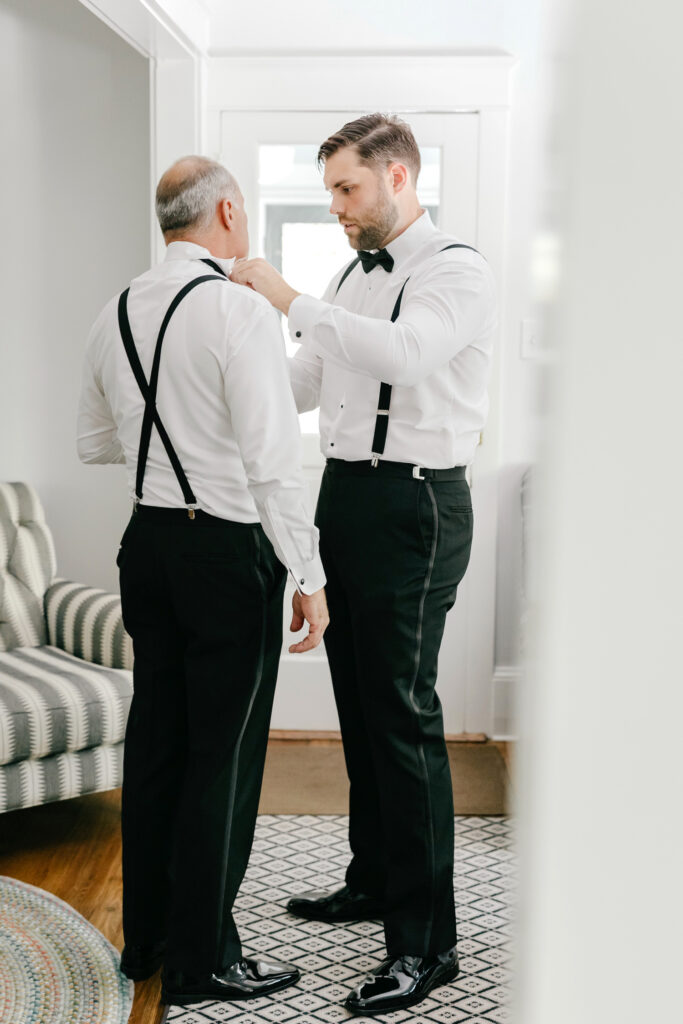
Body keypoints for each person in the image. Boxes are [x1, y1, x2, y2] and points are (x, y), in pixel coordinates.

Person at [229, 113, 497, 1016]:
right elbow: (306, 382)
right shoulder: (350, 276)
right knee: (359, 702)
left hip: (415, 506)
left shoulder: (456, 269)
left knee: (400, 717)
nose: (337, 207)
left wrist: (287, 298)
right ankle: (374, 878)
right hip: (343, 495)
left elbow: (405, 355)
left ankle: (427, 946)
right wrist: (231, 369)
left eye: (346, 188)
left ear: (397, 176)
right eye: (330, 192)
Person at [77, 156, 329, 1007]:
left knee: (156, 744)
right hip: (223, 554)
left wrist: (168, 443)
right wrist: (308, 574)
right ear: (227, 212)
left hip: (146, 546)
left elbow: (94, 443)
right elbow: (272, 465)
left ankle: (146, 940)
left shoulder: (115, 310)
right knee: (221, 758)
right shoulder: (236, 310)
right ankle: (203, 958)